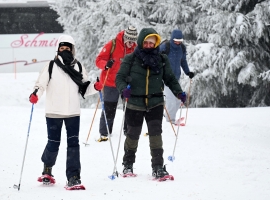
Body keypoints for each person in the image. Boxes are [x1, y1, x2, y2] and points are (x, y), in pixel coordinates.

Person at [29, 35, 103, 188]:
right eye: (62, 49)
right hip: (53, 112)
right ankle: (47, 169)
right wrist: (35, 94)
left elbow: (85, 87)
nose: (64, 51)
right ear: (57, 50)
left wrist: (95, 87)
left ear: (72, 50)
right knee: (53, 143)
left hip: (73, 113)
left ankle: (74, 177)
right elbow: (40, 84)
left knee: (73, 145)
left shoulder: (78, 67)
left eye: (67, 48)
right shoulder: (51, 66)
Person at [116, 28, 187, 179]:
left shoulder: (161, 59)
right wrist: (123, 90)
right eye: (146, 42)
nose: (149, 45)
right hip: (134, 102)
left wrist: (179, 92)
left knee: (156, 136)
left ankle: (158, 167)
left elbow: (170, 78)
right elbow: (120, 77)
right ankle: (127, 165)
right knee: (132, 135)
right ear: (141, 42)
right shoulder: (131, 59)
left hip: (155, 102)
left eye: (152, 43)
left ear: (156, 44)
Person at [95, 26, 138, 142]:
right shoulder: (113, 44)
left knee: (129, 107)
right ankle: (105, 132)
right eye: (129, 41)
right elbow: (98, 60)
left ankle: (127, 131)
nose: (131, 44)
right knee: (109, 108)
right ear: (125, 38)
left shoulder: (135, 48)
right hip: (110, 82)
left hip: (126, 83)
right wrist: (106, 64)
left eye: (133, 41)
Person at [159, 29, 194, 124]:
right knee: (170, 99)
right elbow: (156, 59)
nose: (178, 42)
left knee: (179, 99)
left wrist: (188, 72)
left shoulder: (182, 48)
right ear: (172, 39)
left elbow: (183, 61)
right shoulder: (165, 47)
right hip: (165, 78)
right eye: (176, 40)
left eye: (180, 40)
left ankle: (168, 115)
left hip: (175, 78)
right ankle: (170, 120)